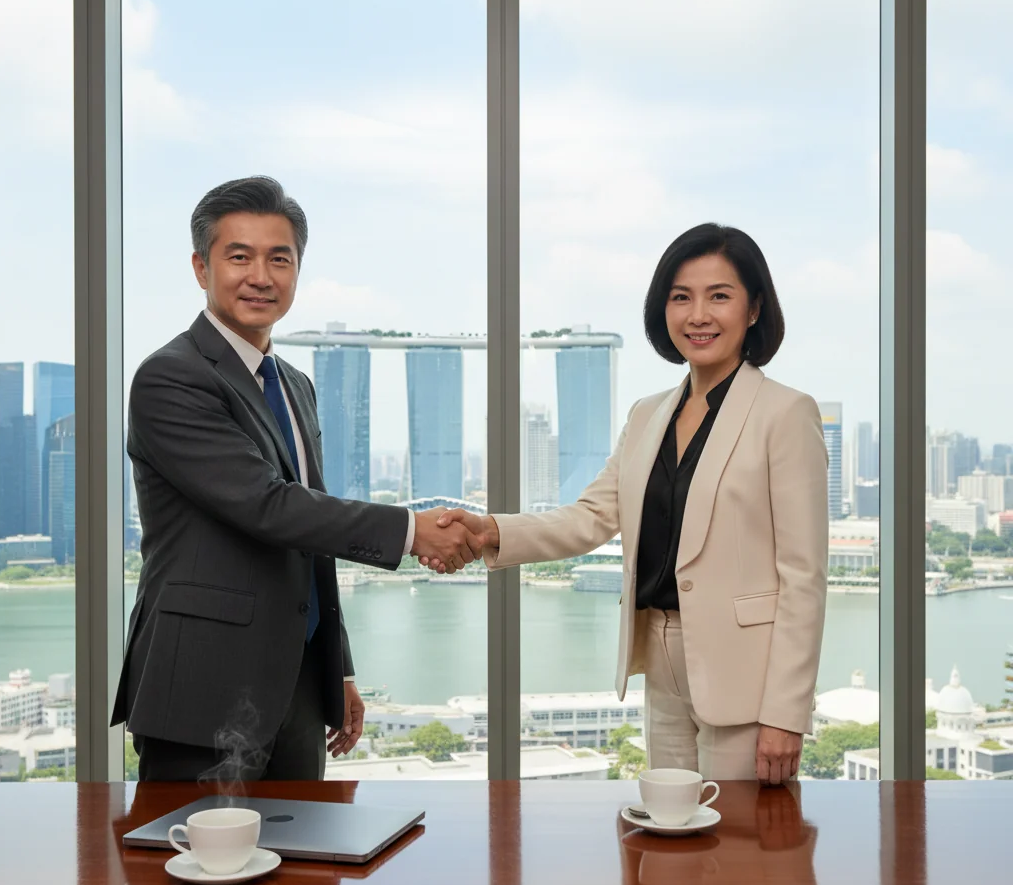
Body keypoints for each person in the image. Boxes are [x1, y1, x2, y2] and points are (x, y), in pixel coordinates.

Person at [111, 176, 480, 781]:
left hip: (299, 688)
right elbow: (268, 506)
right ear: (201, 268)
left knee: (304, 868)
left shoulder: (295, 387)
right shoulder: (171, 378)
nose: (261, 276)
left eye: (279, 259)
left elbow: (311, 527)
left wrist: (337, 668)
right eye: (240, 257)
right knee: (190, 866)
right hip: (205, 686)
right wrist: (413, 531)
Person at [431, 224, 828, 783]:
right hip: (659, 652)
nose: (698, 315)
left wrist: (787, 714)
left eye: (719, 295)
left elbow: (803, 577)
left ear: (755, 308)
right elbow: (591, 516)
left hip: (745, 673)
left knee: (743, 847)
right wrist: (490, 530)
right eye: (681, 297)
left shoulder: (786, 414)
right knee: (674, 835)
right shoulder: (648, 414)